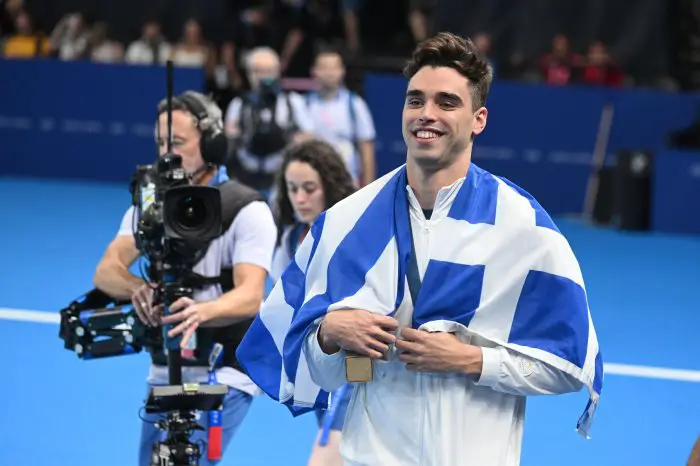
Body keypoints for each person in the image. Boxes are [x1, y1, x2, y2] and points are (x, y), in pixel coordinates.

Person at [235, 32, 604, 466]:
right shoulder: (347, 222)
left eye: (447, 102)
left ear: (479, 119)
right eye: (415, 100)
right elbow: (323, 372)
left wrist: (470, 359)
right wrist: (329, 334)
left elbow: (564, 367)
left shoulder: (522, 226)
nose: (426, 114)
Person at [92, 91, 277, 466]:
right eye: (160, 142)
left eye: (176, 142)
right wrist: (138, 288)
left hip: (226, 363)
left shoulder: (248, 209)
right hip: (168, 362)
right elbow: (106, 271)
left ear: (211, 143)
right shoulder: (151, 203)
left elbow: (251, 296)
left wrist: (202, 311)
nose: (166, 153)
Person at [269, 139, 356, 466]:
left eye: (309, 188)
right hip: (317, 368)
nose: (300, 198)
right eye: (292, 189)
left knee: (327, 455)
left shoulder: (355, 236)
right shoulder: (289, 239)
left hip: (360, 364)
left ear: (329, 187)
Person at [225, 46, 315, 193]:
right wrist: (232, 135)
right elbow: (228, 140)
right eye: (257, 71)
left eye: (268, 71)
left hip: (281, 177)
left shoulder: (293, 102)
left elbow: (310, 137)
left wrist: (296, 140)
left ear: (277, 72)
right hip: (245, 176)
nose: (262, 77)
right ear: (248, 74)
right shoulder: (239, 104)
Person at [306, 46, 377, 188]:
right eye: (324, 67)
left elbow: (366, 149)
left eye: (334, 67)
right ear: (314, 71)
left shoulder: (355, 104)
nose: (329, 72)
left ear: (342, 71)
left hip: (347, 183)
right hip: (312, 184)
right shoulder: (303, 105)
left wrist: (369, 190)